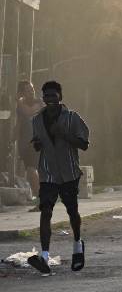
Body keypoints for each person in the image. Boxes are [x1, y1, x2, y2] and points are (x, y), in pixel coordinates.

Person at [27, 81, 91, 275]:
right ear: (43, 98)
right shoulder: (37, 120)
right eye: (47, 96)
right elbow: (38, 145)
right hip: (47, 172)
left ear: (60, 97)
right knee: (45, 210)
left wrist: (63, 134)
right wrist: (37, 144)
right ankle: (44, 256)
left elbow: (84, 144)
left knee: (72, 211)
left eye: (54, 96)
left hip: (69, 172)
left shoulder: (72, 118)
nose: (50, 100)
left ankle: (77, 245)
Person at [16, 80, 43, 203]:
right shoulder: (19, 106)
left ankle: (40, 198)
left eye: (32, 89)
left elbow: (30, 112)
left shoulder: (40, 103)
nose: (32, 91)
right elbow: (19, 124)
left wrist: (19, 101)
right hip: (25, 144)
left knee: (32, 170)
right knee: (30, 171)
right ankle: (38, 197)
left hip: (37, 142)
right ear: (22, 93)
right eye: (28, 90)